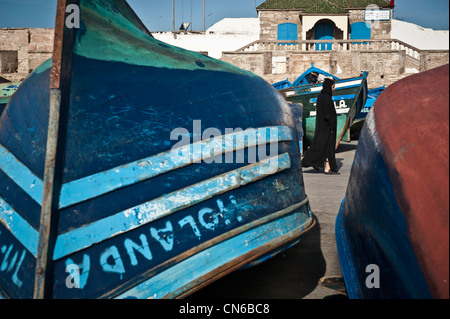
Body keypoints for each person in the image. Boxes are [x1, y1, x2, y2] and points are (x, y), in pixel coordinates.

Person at [301, 78, 340, 175]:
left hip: (322, 127)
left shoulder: (321, 97)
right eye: (333, 87)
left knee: (320, 145)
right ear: (328, 87)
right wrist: (331, 125)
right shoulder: (326, 98)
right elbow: (327, 114)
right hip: (327, 127)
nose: (334, 89)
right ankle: (329, 168)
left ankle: (316, 163)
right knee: (328, 147)